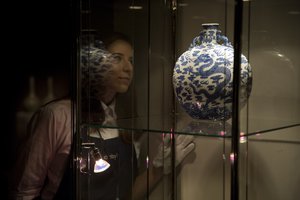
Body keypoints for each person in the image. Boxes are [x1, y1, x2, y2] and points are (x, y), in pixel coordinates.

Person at [9, 32, 195, 200]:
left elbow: (126, 194)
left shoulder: (124, 120)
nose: (128, 68)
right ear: (93, 65)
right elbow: (25, 190)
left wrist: (160, 167)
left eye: (131, 60)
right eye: (117, 58)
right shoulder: (58, 115)